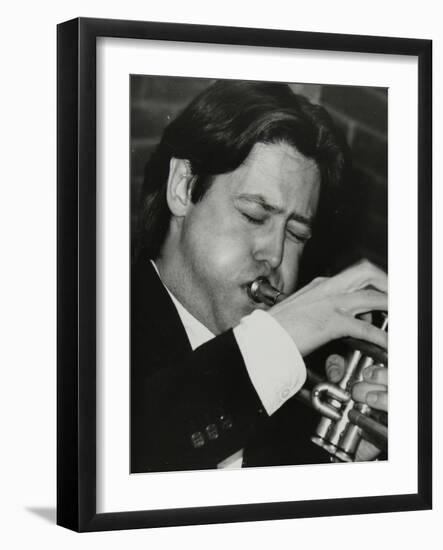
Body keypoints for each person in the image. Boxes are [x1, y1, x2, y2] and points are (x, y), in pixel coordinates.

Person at [130, 80, 388, 473]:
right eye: (254, 215)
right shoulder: (89, 324)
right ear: (182, 187)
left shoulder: (287, 387)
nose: (275, 254)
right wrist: (275, 342)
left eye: (297, 233)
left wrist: (351, 463)